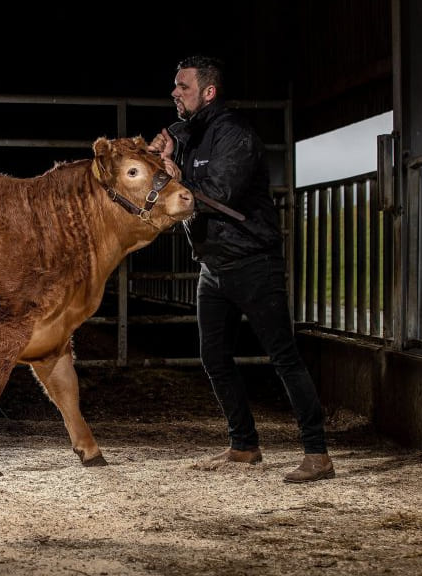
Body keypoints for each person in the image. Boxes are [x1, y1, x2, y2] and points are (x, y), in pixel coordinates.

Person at [148, 56, 334, 483]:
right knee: (214, 356)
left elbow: (219, 194)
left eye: (183, 87)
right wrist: (161, 149)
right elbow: (167, 155)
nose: (175, 93)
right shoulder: (185, 133)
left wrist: (176, 177)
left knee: (283, 356)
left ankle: (317, 453)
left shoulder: (236, 136)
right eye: (174, 86)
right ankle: (244, 444)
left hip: (253, 262)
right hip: (213, 265)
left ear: (208, 92)